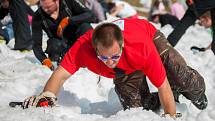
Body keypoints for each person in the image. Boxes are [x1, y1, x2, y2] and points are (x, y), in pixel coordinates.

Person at [22, 18, 207, 118]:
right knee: (137, 109)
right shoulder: (82, 49)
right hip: (128, 64)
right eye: (103, 57)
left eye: (114, 56)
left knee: (178, 74)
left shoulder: (140, 47)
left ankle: (198, 93)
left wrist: (170, 116)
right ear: (94, 49)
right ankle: (163, 100)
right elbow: (60, 74)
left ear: (122, 45)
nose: (110, 62)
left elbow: (162, 84)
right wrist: (48, 95)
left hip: (148, 37)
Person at [32, 0, 96, 70]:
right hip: (61, 46)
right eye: (43, 7)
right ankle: (62, 62)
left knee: (85, 27)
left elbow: (91, 16)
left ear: (57, 1)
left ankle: (90, 55)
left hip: (79, 40)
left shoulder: (68, 2)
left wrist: (69, 20)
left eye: (48, 7)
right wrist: (43, 59)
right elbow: (36, 44)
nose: (45, 10)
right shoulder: (38, 16)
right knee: (53, 44)